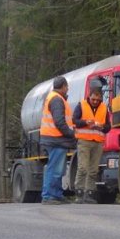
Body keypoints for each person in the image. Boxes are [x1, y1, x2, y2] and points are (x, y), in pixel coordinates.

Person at [40, 76, 76, 205]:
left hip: (54, 139)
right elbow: (59, 121)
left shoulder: (54, 97)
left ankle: (56, 195)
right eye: (66, 87)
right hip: (56, 139)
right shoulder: (56, 99)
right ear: (63, 86)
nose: (67, 89)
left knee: (58, 169)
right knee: (55, 169)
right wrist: (71, 134)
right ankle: (49, 196)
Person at [73, 83, 111, 203]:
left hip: (98, 143)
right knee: (83, 168)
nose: (95, 101)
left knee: (93, 170)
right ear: (89, 96)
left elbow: (108, 127)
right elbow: (74, 120)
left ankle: (89, 194)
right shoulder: (81, 105)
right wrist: (85, 122)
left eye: (97, 99)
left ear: (100, 98)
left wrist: (101, 127)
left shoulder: (104, 108)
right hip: (84, 141)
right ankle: (79, 193)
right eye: (93, 99)